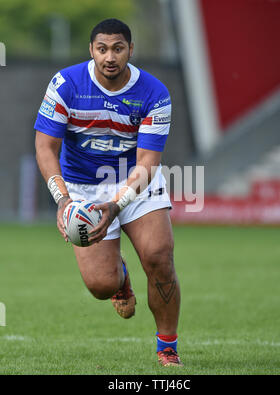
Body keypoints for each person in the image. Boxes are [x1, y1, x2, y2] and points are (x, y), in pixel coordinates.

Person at [35, 18, 182, 367]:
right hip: (81, 187)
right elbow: (45, 147)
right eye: (102, 49)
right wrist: (63, 200)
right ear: (91, 51)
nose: (110, 56)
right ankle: (120, 280)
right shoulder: (66, 84)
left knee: (159, 256)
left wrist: (117, 205)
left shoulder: (154, 92)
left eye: (118, 48)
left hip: (135, 179)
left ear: (131, 50)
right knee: (101, 286)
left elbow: (148, 162)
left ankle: (167, 348)